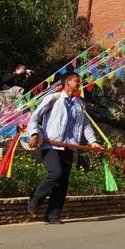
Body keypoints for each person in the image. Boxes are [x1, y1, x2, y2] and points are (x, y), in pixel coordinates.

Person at [26, 72, 101, 224]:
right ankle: (35, 198)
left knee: (63, 182)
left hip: (70, 147)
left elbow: (85, 124)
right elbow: (34, 117)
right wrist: (34, 133)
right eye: (76, 81)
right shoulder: (54, 99)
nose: (79, 84)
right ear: (67, 82)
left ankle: (53, 216)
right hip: (51, 145)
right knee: (55, 173)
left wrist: (93, 141)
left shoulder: (80, 104)